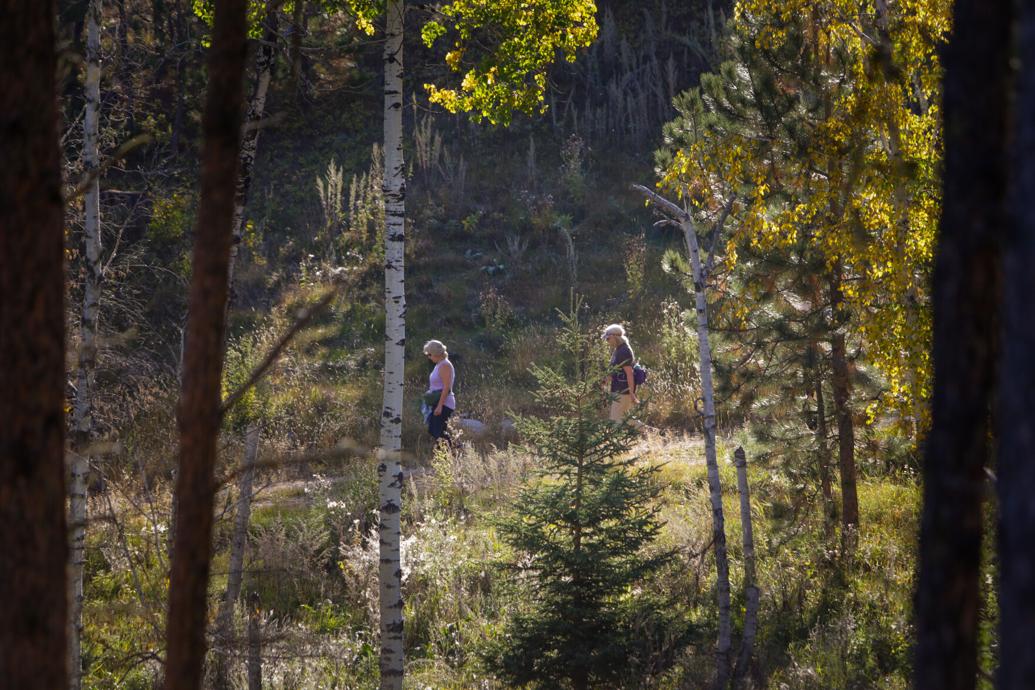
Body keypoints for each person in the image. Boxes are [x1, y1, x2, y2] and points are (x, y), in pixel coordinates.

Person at [602, 324, 642, 426]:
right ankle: (648, 430)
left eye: (608, 338)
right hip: (617, 389)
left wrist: (632, 394)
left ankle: (645, 430)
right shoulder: (618, 350)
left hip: (623, 391)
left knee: (615, 420)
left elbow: (629, 374)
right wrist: (603, 383)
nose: (607, 341)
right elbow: (614, 371)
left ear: (615, 337)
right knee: (623, 418)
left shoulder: (624, 351)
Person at [422, 339, 456, 445]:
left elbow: (446, 387)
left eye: (429, 354)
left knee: (437, 432)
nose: (429, 356)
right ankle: (450, 453)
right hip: (439, 402)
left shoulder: (445, 365)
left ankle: (454, 450)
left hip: (444, 403)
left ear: (436, 354)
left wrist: (440, 406)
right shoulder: (439, 364)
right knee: (436, 431)